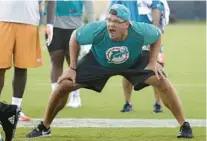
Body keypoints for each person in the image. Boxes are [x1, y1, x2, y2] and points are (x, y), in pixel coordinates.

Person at [26, 4, 193, 139]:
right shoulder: (98, 29)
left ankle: (184, 125)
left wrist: (152, 62)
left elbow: (156, 36)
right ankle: (45, 126)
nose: (111, 24)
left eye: (116, 21)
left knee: (162, 81)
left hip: (133, 61)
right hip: (98, 62)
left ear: (127, 24)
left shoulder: (140, 30)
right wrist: (72, 68)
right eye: (109, 20)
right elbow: (75, 37)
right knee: (63, 85)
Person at [0, 0, 56, 123]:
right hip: (2, 20)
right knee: (0, 68)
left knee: (22, 66)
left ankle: (16, 109)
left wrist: (50, 23)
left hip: (29, 21)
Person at [110, 0, 170, 113]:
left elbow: (156, 9)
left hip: (148, 35)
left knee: (157, 69)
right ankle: (127, 102)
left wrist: (153, 33)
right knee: (126, 70)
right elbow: (113, 12)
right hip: (129, 37)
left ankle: (157, 103)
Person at [45, 0, 95, 108]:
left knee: (72, 61)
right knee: (56, 60)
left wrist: (92, 26)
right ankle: (56, 95)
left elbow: (89, 5)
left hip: (75, 26)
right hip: (54, 25)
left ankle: (75, 96)